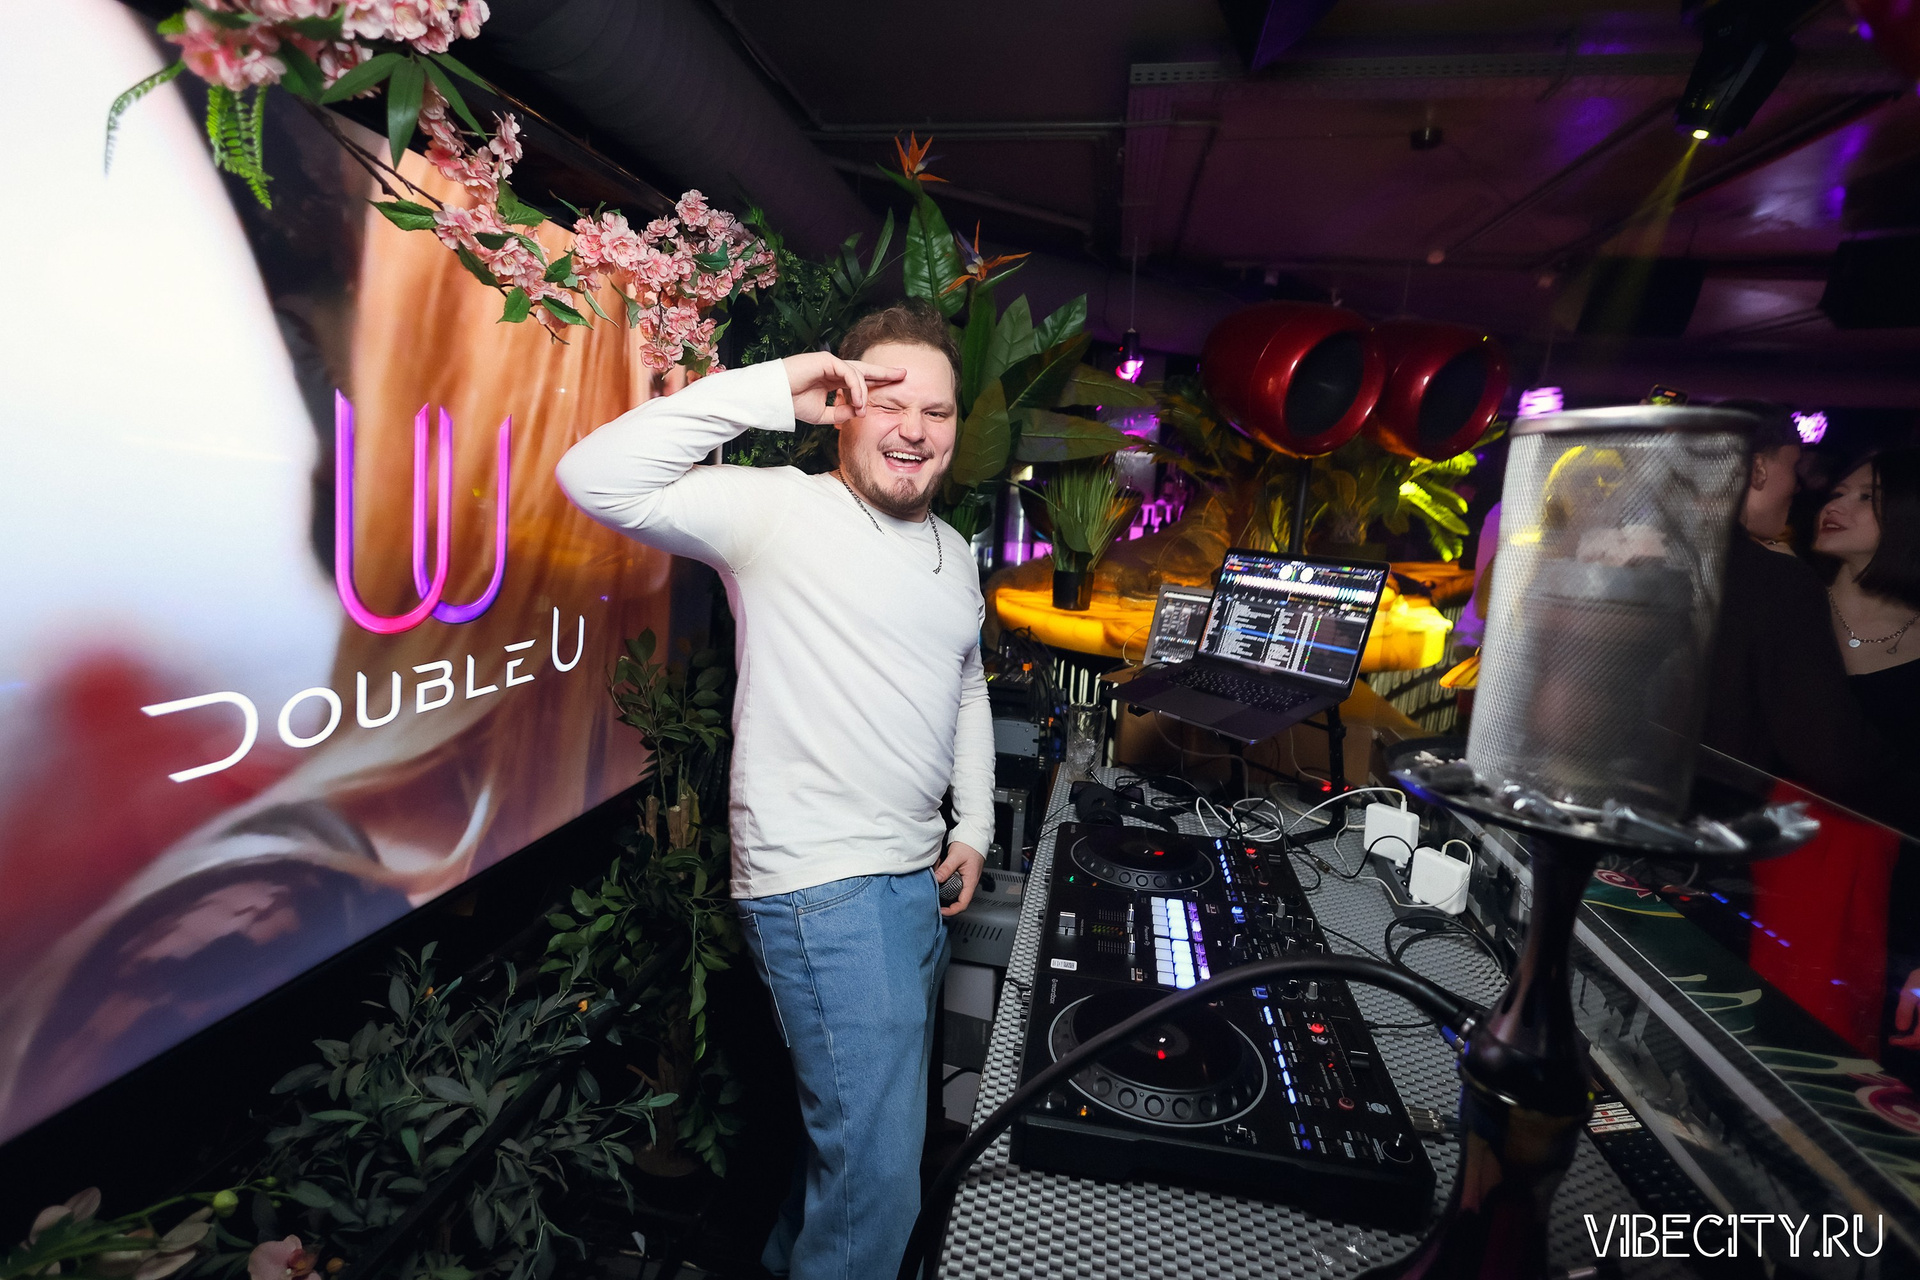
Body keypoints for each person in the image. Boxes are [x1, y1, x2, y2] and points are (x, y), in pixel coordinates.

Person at [556, 299, 993, 1280]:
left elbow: (965, 681)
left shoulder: (954, 549)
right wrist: (774, 387)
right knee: (879, 1182)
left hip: (911, 883)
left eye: (937, 411)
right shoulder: (780, 512)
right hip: (823, 889)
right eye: (887, 402)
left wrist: (973, 822)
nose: (915, 429)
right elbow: (593, 475)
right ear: (842, 408)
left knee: (848, 1152)